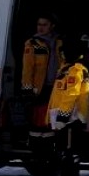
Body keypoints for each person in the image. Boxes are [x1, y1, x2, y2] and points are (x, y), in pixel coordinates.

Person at [45, 55, 89, 176]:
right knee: (66, 154)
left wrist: (62, 117)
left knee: (70, 155)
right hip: (66, 118)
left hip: (71, 120)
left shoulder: (75, 70)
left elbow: (72, 94)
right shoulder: (67, 68)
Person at [22, 14, 65, 158]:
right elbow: (27, 68)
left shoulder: (59, 42)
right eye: (39, 24)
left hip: (56, 87)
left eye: (44, 24)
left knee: (53, 119)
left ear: (52, 26)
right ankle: (37, 150)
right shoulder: (32, 43)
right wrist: (27, 88)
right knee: (38, 118)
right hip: (39, 88)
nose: (40, 27)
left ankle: (50, 147)